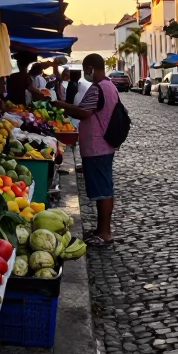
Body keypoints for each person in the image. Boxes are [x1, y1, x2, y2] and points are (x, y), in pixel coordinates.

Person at [55, 53, 119, 246]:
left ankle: (105, 233)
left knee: (102, 189)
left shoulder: (98, 88)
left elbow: (84, 112)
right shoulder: (110, 86)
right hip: (103, 144)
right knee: (103, 188)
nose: (84, 73)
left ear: (91, 68)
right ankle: (101, 229)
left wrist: (60, 105)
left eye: (85, 69)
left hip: (97, 145)